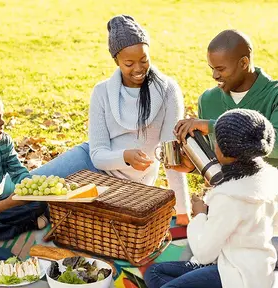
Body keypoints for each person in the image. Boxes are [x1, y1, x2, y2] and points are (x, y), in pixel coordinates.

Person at [30, 15, 191, 225]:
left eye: (144, 60)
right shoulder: (102, 92)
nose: (138, 69)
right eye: (129, 63)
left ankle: (39, 217)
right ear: (116, 61)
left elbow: (171, 156)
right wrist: (124, 156)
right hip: (90, 162)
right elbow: (97, 155)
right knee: (27, 189)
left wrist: (183, 211)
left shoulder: (168, 90)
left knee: (54, 209)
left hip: (125, 185)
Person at [144, 109, 278, 288]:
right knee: (154, 274)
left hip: (237, 275)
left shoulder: (229, 196)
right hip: (254, 267)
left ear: (223, 151)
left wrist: (200, 215)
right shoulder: (270, 178)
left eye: (216, 141)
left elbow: (204, 252)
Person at [172, 29, 278, 172]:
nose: (214, 75)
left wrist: (213, 127)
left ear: (244, 63)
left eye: (220, 69)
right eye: (212, 68)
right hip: (228, 190)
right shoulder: (208, 100)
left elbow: (274, 144)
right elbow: (216, 162)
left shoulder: (274, 95)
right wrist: (193, 167)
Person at [0, 90, 48, 240]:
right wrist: (7, 204)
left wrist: (31, 189)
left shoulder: (3, 141)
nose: (2, 122)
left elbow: (18, 172)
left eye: (2, 116)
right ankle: (24, 225)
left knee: (42, 203)